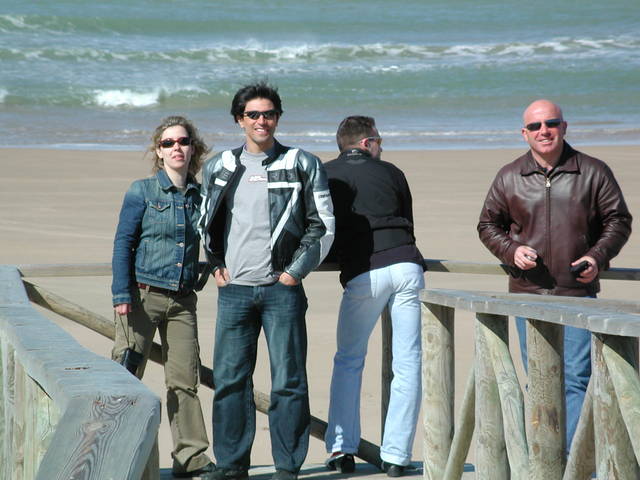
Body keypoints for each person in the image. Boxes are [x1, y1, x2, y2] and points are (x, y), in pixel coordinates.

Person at [197, 82, 334, 480]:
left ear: (278, 118)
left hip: (281, 290)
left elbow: (323, 225)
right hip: (234, 292)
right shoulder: (219, 165)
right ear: (239, 120)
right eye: (253, 114)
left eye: (269, 113)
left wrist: (293, 272)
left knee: (288, 381)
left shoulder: (301, 162)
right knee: (229, 381)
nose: (262, 121)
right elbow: (205, 221)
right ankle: (231, 464)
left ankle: (287, 466)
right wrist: (215, 263)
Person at [477, 99, 632, 449]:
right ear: (524, 133)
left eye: (550, 123)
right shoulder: (509, 175)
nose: (543, 131)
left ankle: (571, 462)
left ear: (564, 127)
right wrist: (511, 251)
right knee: (538, 380)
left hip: (577, 293)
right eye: (535, 126)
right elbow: (488, 225)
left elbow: (619, 221)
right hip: (527, 295)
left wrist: (597, 256)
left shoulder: (593, 171)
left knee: (577, 378)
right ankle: (544, 457)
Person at [111, 115, 215, 478]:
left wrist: (212, 267)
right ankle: (115, 455)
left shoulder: (202, 196)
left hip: (183, 302)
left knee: (185, 381)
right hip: (141, 297)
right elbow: (123, 244)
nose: (176, 148)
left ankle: (191, 458)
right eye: (168, 143)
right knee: (125, 377)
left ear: (193, 148)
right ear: (158, 151)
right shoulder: (142, 190)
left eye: (183, 141)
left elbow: (216, 240)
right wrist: (121, 293)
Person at [323, 116, 425, 477]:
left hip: (364, 270)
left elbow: (323, 225)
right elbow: (408, 220)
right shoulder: (392, 172)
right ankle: (397, 456)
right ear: (367, 143)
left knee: (349, 359)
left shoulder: (326, 173)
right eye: (379, 140)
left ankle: (341, 448)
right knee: (408, 361)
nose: (382, 147)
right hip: (406, 263)